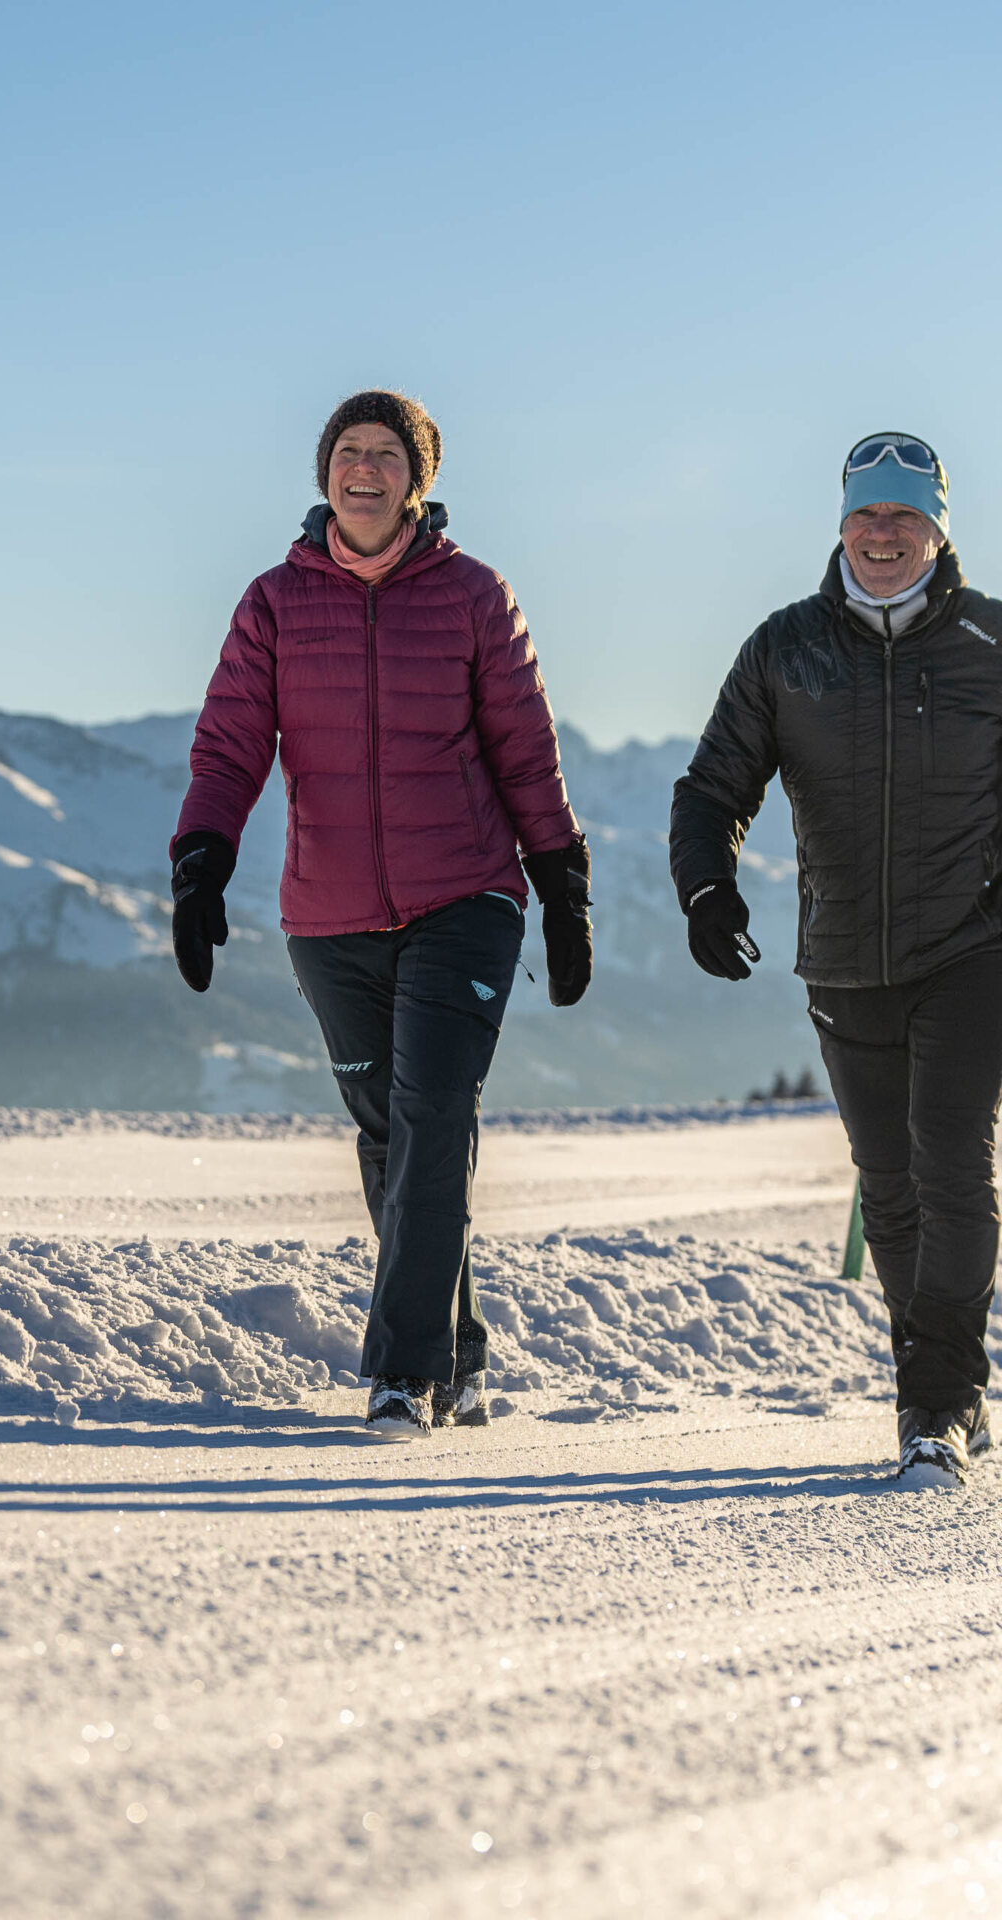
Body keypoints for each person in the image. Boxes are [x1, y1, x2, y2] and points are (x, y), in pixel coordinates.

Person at [169, 389, 591, 1438]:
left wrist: (563, 888)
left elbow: (526, 754)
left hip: (466, 897)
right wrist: (200, 863)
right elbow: (230, 745)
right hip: (332, 916)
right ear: (325, 475)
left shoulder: (473, 597)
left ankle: (403, 1376)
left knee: (433, 1113)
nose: (365, 470)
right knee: (392, 1138)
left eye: (386, 456)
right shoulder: (273, 603)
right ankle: (460, 1353)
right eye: (349, 453)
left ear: (419, 479)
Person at [671, 432, 1002, 1488]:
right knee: (890, 1184)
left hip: (974, 945)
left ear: (939, 528)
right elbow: (712, 789)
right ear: (842, 524)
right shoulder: (787, 649)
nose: (884, 533)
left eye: (906, 515)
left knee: (952, 1164)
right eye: (868, 514)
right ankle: (943, 1382)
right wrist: (707, 887)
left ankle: (935, 1407)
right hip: (844, 956)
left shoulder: (992, 642)